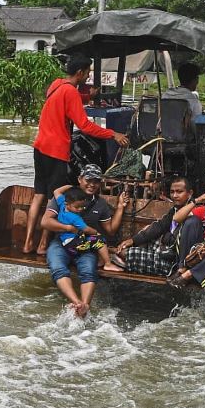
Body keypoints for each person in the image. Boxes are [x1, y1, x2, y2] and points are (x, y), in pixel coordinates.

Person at [23, 54, 129, 255]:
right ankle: (43, 245)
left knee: (39, 195)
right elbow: (85, 126)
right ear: (80, 73)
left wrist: (88, 97)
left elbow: (69, 99)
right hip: (56, 150)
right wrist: (113, 134)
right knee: (54, 197)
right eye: (87, 73)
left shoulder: (56, 85)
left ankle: (27, 243)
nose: (88, 76)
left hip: (40, 146)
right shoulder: (70, 92)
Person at [40, 164, 130, 317]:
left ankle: (84, 306)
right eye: (88, 180)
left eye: (96, 181)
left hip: (85, 245)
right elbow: (45, 222)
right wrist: (68, 228)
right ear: (80, 179)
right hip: (61, 243)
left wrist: (120, 207)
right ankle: (76, 302)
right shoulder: (66, 198)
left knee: (88, 270)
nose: (92, 184)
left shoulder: (100, 204)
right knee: (57, 267)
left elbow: (110, 230)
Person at [114, 177, 196, 275]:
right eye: (172, 192)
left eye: (179, 192)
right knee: (145, 235)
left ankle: (127, 262)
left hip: (173, 262)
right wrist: (133, 240)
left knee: (124, 253)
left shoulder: (194, 213)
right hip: (165, 250)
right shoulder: (175, 209)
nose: (174, 195)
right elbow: (160, 226)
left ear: (190, 193)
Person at [53, 185, 122, 273]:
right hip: (74, 245)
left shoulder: (62, 205)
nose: (80, 209)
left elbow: (56, 191)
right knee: (100, 240)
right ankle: (108, 264)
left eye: (82, 206)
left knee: (91, 240)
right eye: (77, 207)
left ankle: (101, 260)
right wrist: (96, 232)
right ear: (67, 204)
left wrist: (70, 186)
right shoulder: (74, 218)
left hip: (66, 242)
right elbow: (86, 229)